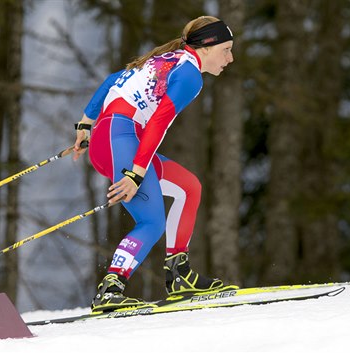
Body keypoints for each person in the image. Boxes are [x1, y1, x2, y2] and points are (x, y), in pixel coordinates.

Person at [72, 16, 238, 312]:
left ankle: (178, 274)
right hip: (121, 139)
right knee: (151, 222)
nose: (230, 58)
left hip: (114, 137)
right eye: (226, 49)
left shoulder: (171, 58)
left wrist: (86, 123)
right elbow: (159, 123)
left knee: (189, 187)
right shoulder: (190, 75)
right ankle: (111, 288)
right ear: (207, 47)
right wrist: (136, 173)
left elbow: (114, 79)